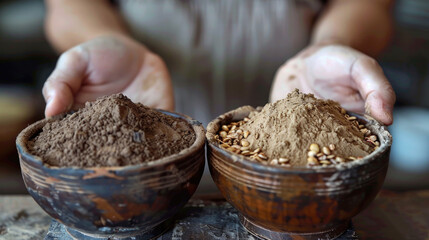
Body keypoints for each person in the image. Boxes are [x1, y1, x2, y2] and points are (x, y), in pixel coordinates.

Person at [42, 0, 396, 193]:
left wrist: (333, 42)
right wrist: (102, 36)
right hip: (153, 125)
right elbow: (68, 5)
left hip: (299, 134)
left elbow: (370, 5)